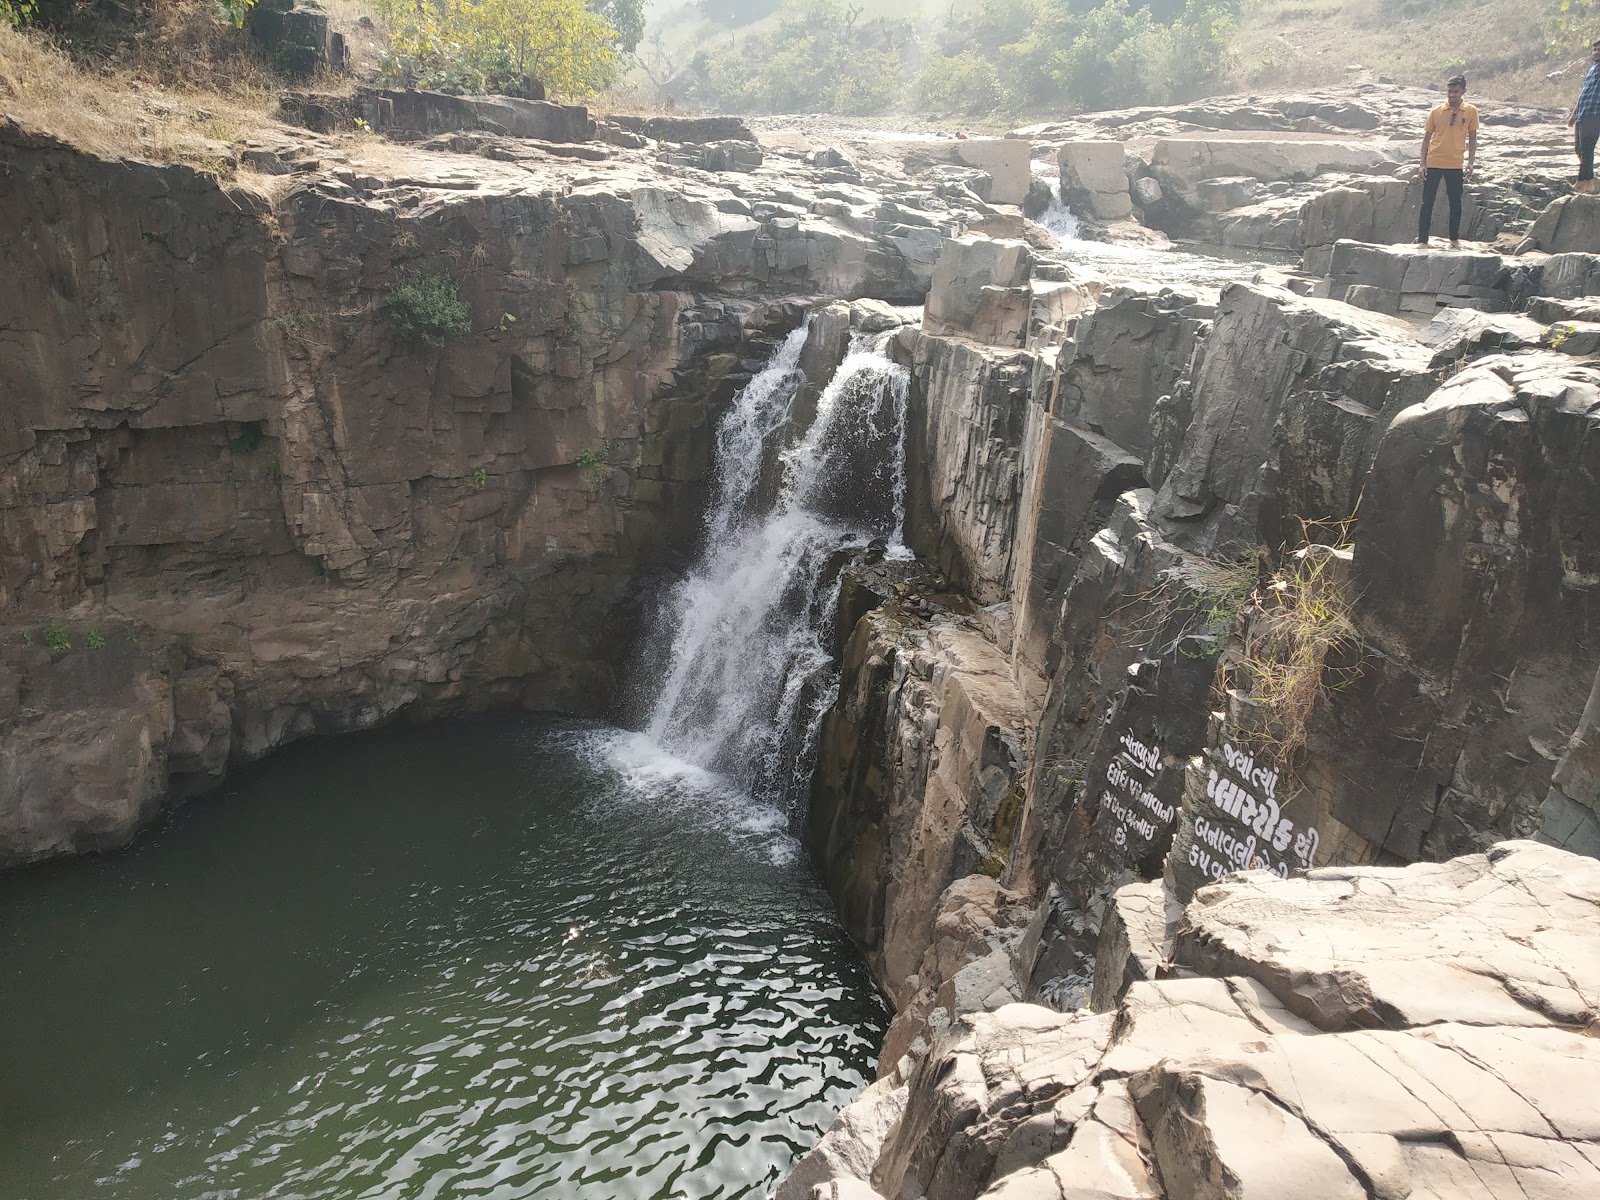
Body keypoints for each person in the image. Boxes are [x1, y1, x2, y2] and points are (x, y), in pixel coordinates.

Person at [1417, 74, 1478, 249]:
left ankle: (1454, 239)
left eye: (1456, 92)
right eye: (1449, 91)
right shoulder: (1436, 112)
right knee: (1427, 202)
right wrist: (1422, 163)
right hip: (1434, 161)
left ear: (1463, 91)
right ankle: (1422, 240)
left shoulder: (1471, 111)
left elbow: (1472, 138)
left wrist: (1471, 162)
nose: (1452, 95)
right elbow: (1426, 139)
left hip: (1455, 163)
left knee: (1455, 203)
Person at [1568, 40, 1600, 194]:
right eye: (1595, 49)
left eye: (1599, 50)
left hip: (1596, 114)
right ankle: (1588, 178)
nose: (1596, 52)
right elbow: (1584, 92)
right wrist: (1574, 113)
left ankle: (1585, 182)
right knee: (1579, 148)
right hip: (1583, 113)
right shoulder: (1592, 70)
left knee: (1587, 148)